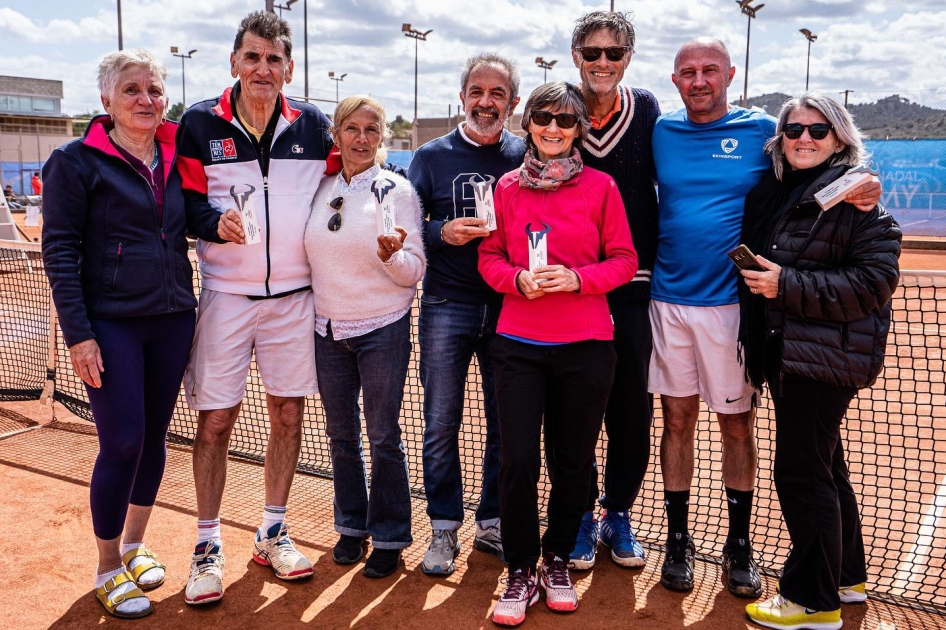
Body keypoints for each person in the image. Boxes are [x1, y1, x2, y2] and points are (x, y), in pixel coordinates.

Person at [650, 37, 882, 597]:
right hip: (667, 302)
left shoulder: (761, 131)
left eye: (710, 70)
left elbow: (824, 171)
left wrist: (866, 184)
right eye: (688, 72)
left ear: (730, 73)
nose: (699, 80)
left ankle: (738, 546)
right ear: (675, 79)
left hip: (735, 308)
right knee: (676, 421)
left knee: (738, 425)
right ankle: (678, 541)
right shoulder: (659, 131)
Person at [175, 11, 335, 604]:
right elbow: (183, 206)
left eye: (274, 59)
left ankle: (272, 529)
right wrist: (214, 224)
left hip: (295, 299)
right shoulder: (197, 123)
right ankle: (207, 543)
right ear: (234, 62)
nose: (263, 69)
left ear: (289, 67)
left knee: (288, 415)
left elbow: (344, 188)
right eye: (253, 57)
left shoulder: (315, 124)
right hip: (226, 296)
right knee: (216, 420)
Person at [41, 49, 197, 619]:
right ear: (106, 99)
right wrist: (79, 334)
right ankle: (107, 566)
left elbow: (192, 221)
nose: (146, 100)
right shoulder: (75, 161)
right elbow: (58, 250)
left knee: (155, 438)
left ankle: (134, 543)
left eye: (154, 90)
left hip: (174, 316)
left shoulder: (177, 156)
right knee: (123, 440)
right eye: (132, 90)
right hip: (109, 324)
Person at [479, 82, 638, 626]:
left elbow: (623, 260)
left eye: (565, 121)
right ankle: (521, 567)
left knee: (572, 462)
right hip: (518, 345)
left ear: (579, 130)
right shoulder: (504, 187)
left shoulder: (602, 187)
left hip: (587, 346)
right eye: (543, 118)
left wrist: (576, 278)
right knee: (518, 460)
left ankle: (556, 560)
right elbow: (489, 257)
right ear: (529, 124)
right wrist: (517, 279)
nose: (553, 128)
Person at [740, 93, 900, 630]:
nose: (804, 138)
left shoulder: (860, 202)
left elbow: (872, 285)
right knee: (826, 466)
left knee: (802, 474)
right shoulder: (791, 193)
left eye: (818, 130)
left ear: (841, 138)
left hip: (820, 359)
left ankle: (812, 600)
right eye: (794, 130)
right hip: (794, 353)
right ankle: (846, 577)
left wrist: (784, 283)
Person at [409, 53, 524, 576]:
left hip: (509, 307)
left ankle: (493, 521)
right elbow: (407, 228)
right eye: (477, 91)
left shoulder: (525, 156)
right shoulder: (431, 156)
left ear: (513, 103)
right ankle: (443, 527)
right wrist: (441, 232)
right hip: (445, 305)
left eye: (497, 93)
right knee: (439, 421)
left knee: (507, 422)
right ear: (463, 97)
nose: (486, 102)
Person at [304, 95, 425, 578]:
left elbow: (413, 271)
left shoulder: (398, 191)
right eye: (351, 128)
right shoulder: (320, 188)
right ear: (337, 134)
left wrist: (391, 256)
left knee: (383, 436)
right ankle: (351, 526)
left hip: (383, 328)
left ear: (382, 137)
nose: (361, 138)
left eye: (371, 129)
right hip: (327, 327)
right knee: (340, 436)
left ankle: (391, 534)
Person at [567, 9, 661, 571]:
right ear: (576, 55)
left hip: (633, 285)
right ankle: (578, 513)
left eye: (615, 53)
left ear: (628, 57)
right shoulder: (559, 108)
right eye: (593, 52)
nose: (604, 62)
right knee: (575, 411)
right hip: (572, 291)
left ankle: (617, 513)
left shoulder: (646, 108)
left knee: (632, 412)